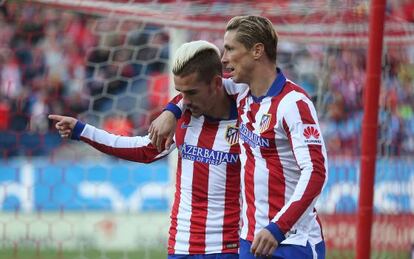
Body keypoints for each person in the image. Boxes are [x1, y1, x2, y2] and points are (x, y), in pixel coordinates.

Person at [150, 16, 328, 259]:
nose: (223, 59)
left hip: (291, 240)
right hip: (251, 241)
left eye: (231, 49)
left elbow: (316, 171)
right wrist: (171, 111)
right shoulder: (242, 93)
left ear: (257, 51)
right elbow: (197, 89)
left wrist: (278, 228)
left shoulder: (293, 103)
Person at [49, 40, 242, 259]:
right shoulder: (184, 115)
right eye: (180, 92)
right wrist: (82, 130)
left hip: (230, 247)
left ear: (217, 83)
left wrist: (172, 109)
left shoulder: (249, 114)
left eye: (191, 92)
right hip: (182, 246)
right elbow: (143, 150)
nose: (185, 100)